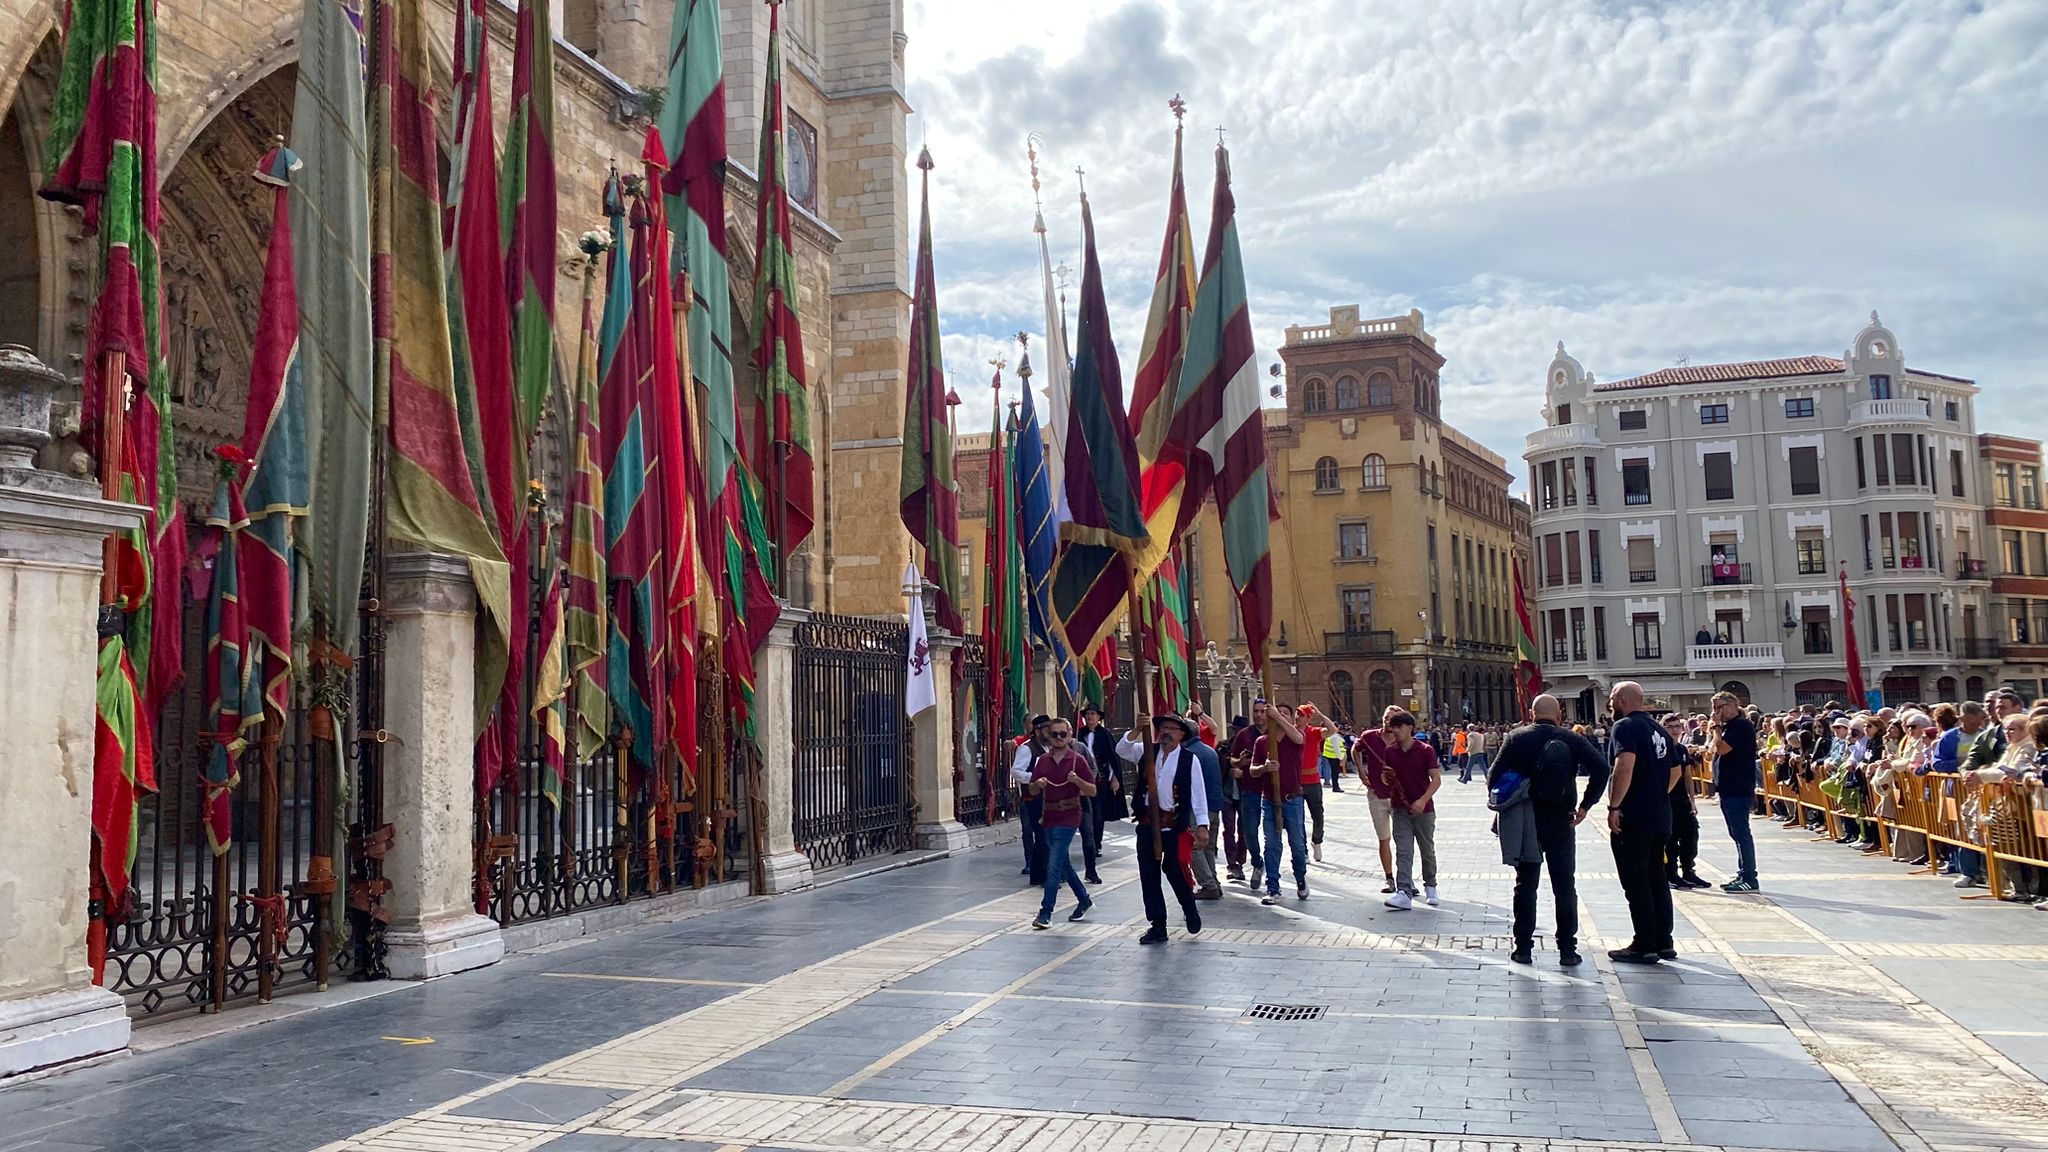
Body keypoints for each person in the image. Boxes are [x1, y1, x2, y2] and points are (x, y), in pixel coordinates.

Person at [1489, 694, 1608, 965]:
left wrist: (1509, 802)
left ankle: (1523, 948)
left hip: (1526, 820)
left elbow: (1494, 776)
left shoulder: (1516, 737)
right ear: (1559, 714)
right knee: (1564, 885)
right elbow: (1601, 768)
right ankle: (1568, 949)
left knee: (1525, 885)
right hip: (1561, 820)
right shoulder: (1573, 738)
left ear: (1532, 713)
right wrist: (1585, 805)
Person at [1118, 714, 1211, 944]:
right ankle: (1158, 925)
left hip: (1173, 826)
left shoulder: (1190, 760)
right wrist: (1137, 729)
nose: (1167, 732)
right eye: (1164, 728)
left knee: (1175, 871)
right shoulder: (1146, 751)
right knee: (1149, 876)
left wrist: (1202, 825)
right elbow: (1122, 749)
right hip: (1148, 824)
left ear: (1181, 734)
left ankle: (1189, 909)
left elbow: (1198, 794)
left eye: (1173, 728)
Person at [1606, 681, 1677, 963]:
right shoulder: (1658, 728)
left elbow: (1625, 764)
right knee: (1657, 877)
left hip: (1634, 816)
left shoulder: (1624, 727)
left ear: (1622, 699)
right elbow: (1675, 769)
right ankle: (1664, 940)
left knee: (1636, 880)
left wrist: (1615, 805)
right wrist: (1657, 792)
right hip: (1660, 814)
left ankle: (1645, 942)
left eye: (1612, 698)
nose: (1610, 704)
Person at [1028, 719, 1098, 929]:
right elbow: (1031, 791)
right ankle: (1084, 900)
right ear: (1049, 736)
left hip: (1069, 816)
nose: (1058, 738)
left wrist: (1078, 781)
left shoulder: (1077, 760)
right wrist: (1037, 784)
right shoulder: (1042, 760)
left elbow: (1092, 791)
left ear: (1069, 736)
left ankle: (1045, 912)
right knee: (1062, 863)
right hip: (1049, 815)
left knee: (1054, 863)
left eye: (1062, 734)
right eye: (1054, 734)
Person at [1247, 699, 1309, 905]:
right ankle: (1273, 887)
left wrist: (1279, 718)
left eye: (1286, 713)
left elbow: (1299, 738)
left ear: (1291, 718)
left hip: (1293, 799)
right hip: (1269, 799)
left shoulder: (1295, 737)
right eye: (1277, 712)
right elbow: (1252, 771)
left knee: (1297, 845)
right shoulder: (1262, 742)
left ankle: (1300, 878)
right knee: (1271, 845)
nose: (1280, 715)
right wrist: (1264, 768)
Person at [1380, 709, 1443, 910]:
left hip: (1424, 810)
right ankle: (1403, 892)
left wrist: (1423, 800)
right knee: (1404, 850)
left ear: (1410, 728)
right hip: (1400, 807)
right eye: (1393, 727)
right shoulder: (1390, 751)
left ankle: (1431, 886)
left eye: (1399, 727)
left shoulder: (1425, 750)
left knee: (1427, 849)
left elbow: (1436, 779)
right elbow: (1385, 778)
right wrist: (1386, 777)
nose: (1395, 731)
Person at [1704, 690, 1761, 893]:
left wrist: (1717, 728)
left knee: (1741, 832)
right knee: (1735, 832)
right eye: (1714, 708)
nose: (1716, 712)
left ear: (1732, 705)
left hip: (1738, 786)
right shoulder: (1729, 727)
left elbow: (1723, 749)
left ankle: (1749, 876)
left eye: (1719, 707)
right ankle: (1743, 871)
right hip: (1727, 786)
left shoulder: (1741, 726)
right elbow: (1712, 749)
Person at [1351, 710, 1399, 893]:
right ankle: (1389, 878)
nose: (1388, 721)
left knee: (1403, 840)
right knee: (1384, 839)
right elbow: (1355, 749)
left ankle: (1405, 880)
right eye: (1386, 717)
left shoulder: (1402, 739)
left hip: (1398, 797)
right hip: (1376, 795)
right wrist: (1362, 773)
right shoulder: (1370, 737)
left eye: (1392, 719)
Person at [1076, 705, 1123, 884]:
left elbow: (1113, 757)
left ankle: (1096, 843)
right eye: (1087, 714)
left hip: (1101, 778)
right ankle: (1089, 841)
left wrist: (1115, 779)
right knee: (1085, 810)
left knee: (1098, 813)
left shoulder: (1105, 735)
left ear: (1098, 717)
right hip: (1082, 778)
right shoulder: (1078, 734)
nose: (1090, 717)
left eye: (1093, 714)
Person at [1663, 713, 1708, 889]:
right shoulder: (1662, 749)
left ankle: (1689, 870)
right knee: (1671, 838)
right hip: (1667, 800)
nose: (1675, 730)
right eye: (1670, 727)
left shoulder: (1681, 749)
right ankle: (1671, 873)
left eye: (1677, 727)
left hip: (1682, 800)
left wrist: (1692, 800)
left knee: (1691, 834)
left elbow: (1687, 775)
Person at [1010, 714, 1054, 885]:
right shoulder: (1027, 749)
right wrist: (1034, 778)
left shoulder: (1051, 748)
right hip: (1033, 798)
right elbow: (1016, 771)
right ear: (1037, 732)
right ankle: (1046, 875)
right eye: (1046, 730)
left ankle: (1037, 875)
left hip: (1050, 798)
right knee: (1043, 836)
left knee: (1045, 836)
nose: (1049, 733)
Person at [1186, 723, 1227, 901]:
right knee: (1208, 847)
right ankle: (1214, 882)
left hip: (1199, 808)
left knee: (1194, 846)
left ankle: (1209, 884)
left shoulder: (1189, 754)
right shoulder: (1209, 750)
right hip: (1214, 805)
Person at [1223, 715, 1262, 883]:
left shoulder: (1254, 744)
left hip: (1245, 792)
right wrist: (1232, 768)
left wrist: (1243, 771)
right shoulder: (1223, 746)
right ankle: (1233, 864)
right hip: (1227, 794)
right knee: (1229, 830)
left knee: (1245, 831)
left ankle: (1241, 860)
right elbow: (1220, 766)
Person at [1296, 704, 1334, 862]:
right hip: (1296, 781)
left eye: (1301, 714)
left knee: (1318, 815)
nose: (1297, 717)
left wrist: (1320, 713)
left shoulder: (1313, 732)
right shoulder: (1291, 731)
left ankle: (1317, 841)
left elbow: (1332, 730)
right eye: (1297, 714)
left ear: (1308, 718)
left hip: (1312, 781)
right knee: (1297, 817)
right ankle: (1302, 849)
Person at [1319, 725, 1347, 793]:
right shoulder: (1334, 737)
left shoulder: (1331, 736)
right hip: (1334, 756)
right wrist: (1340, 757)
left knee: (1333, 772)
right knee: (1335, 773)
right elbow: (1336, 748)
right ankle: (1336, 787)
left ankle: (1335, 786)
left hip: (1329, 755)